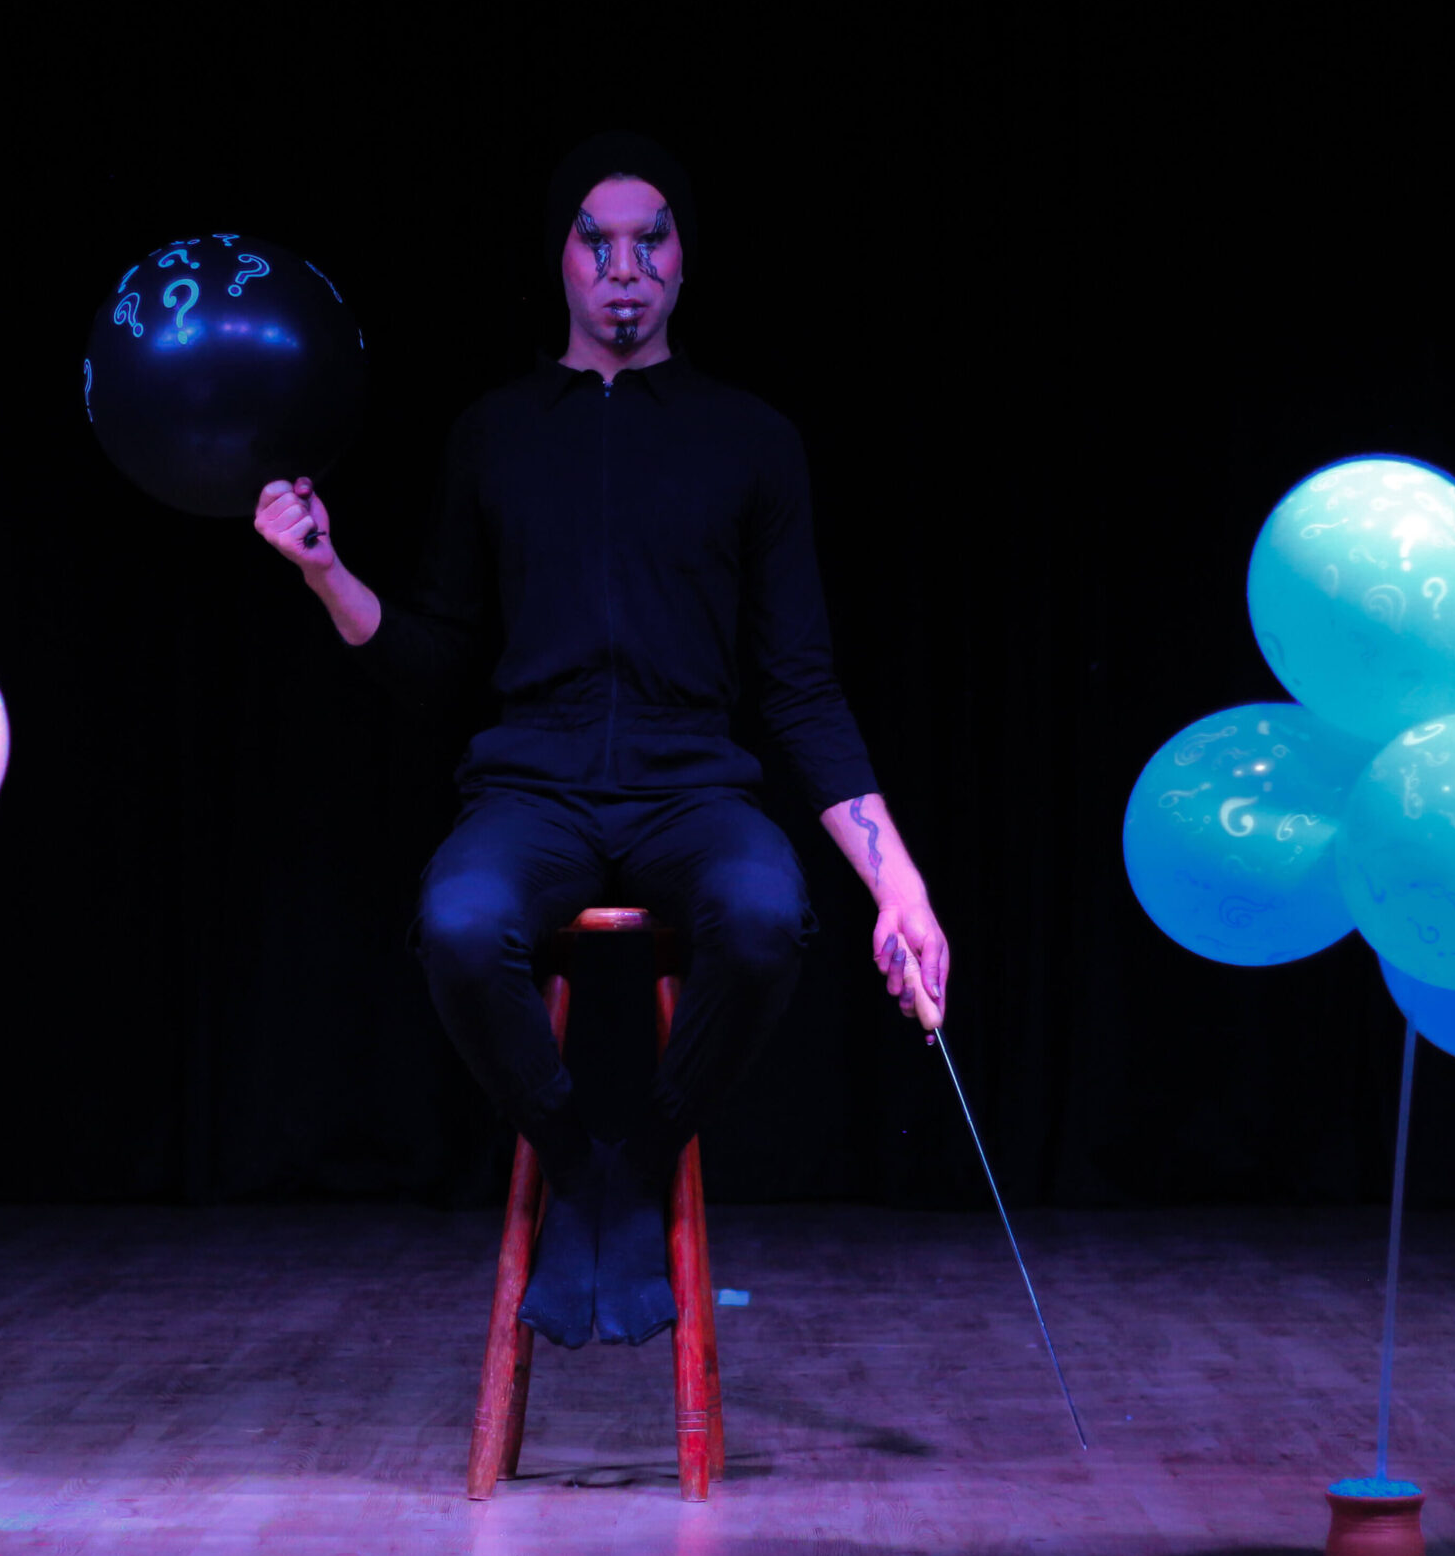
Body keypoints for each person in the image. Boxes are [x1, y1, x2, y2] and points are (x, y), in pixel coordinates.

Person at [253, 130, 947, 1349]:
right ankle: (583, 1163)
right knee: (461, 924)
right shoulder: (496, 432)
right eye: (595, 239)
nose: (622, 267)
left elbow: (799, 688)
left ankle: (647, 1156)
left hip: (692, 784)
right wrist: (323, 572)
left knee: (765, 914)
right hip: (536, 784)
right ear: (561, 258)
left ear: (683, 262)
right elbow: (430, 660)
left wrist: (900, 881)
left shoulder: (751, 439)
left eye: (650, 239)